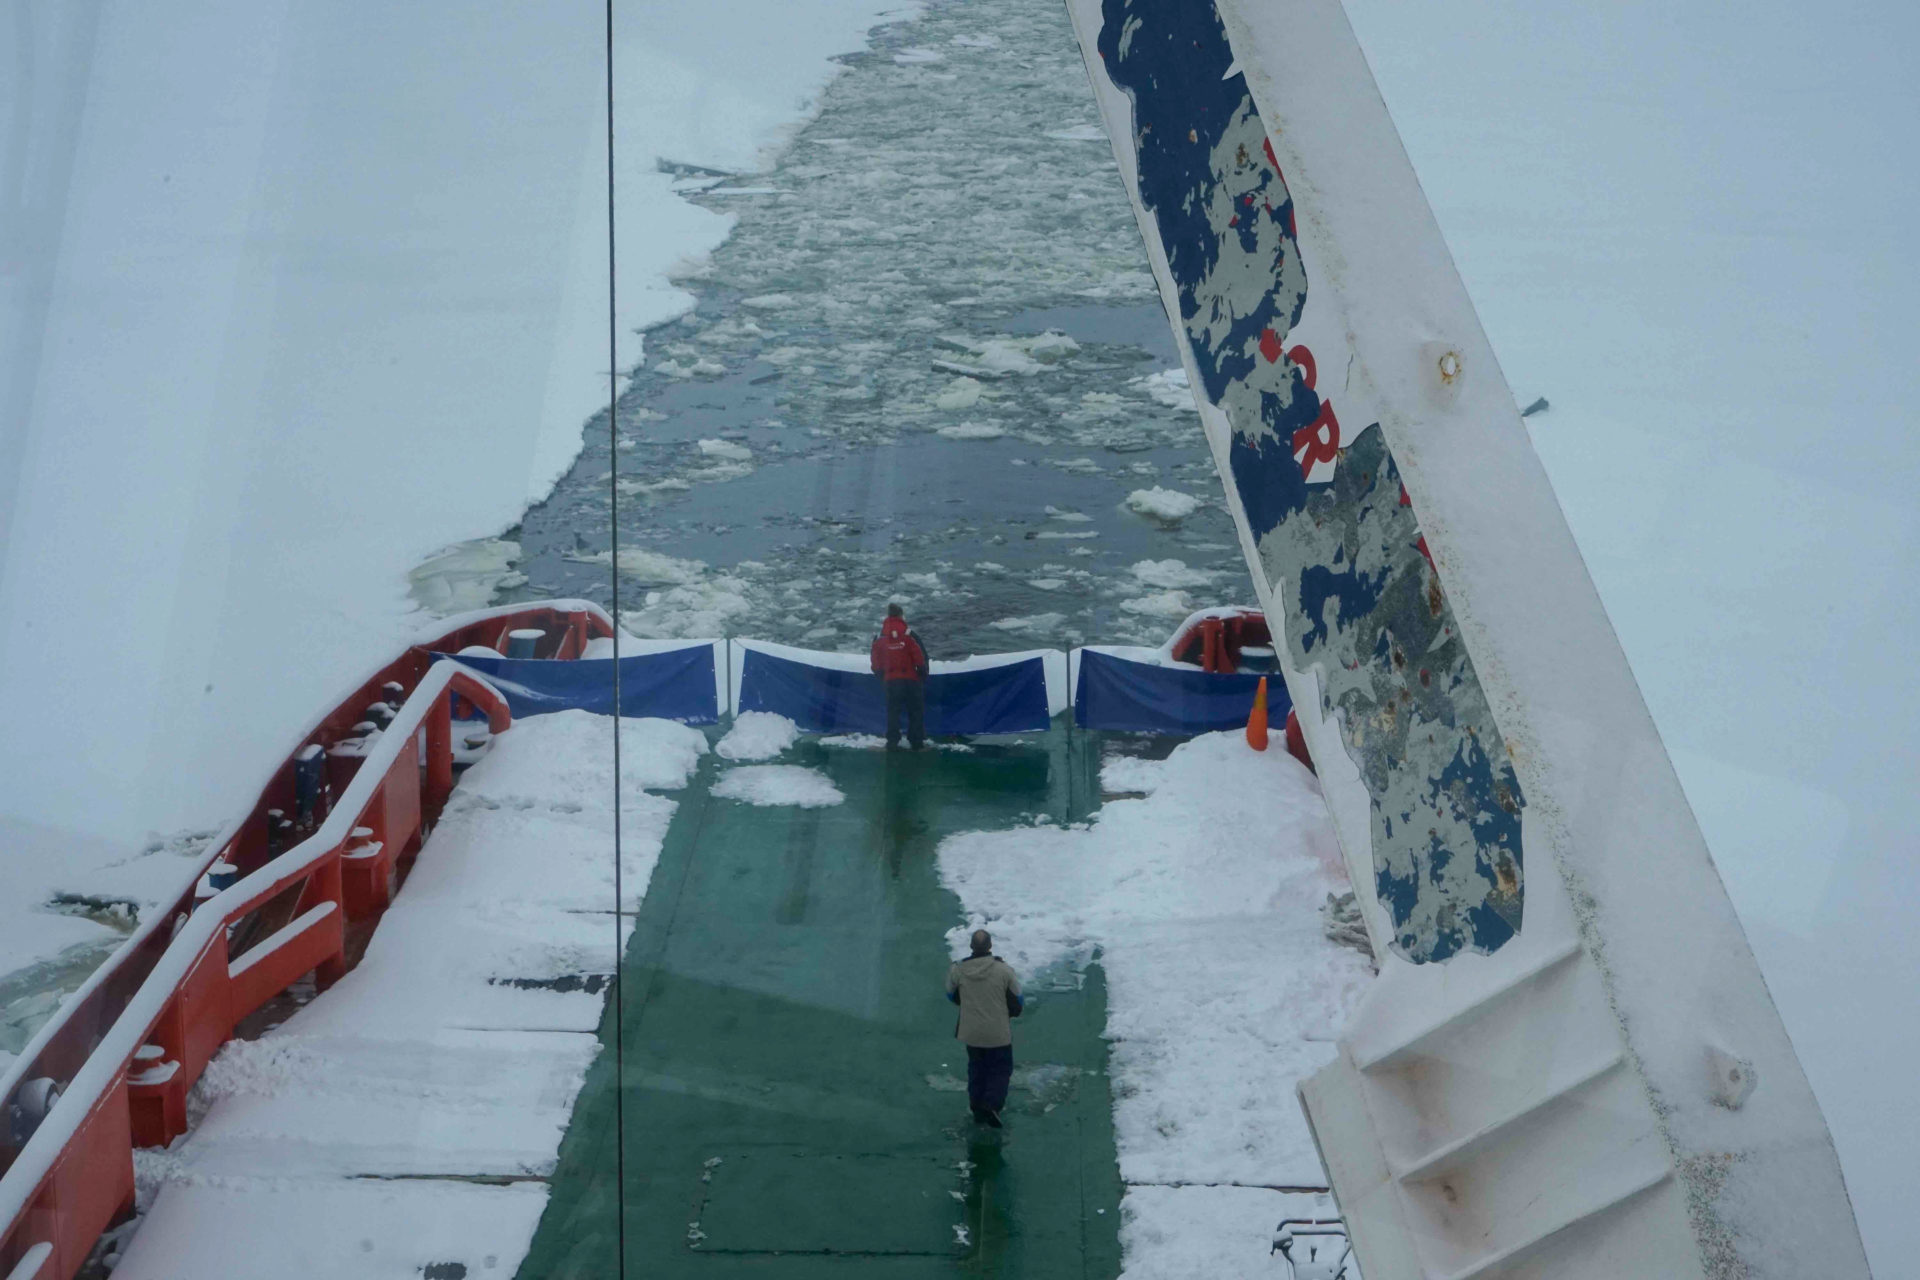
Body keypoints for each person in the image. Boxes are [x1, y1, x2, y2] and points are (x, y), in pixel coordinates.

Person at [945, 929, 1023, 1127]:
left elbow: (950, 995)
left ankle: (976, 1106)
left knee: (976, 1068)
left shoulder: (958, 970)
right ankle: (992, 1106)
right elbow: (1018, 999)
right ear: (990, 946)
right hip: (998, 1033)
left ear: (971, 946)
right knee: (1000, 1069)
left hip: (971, 1032)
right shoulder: (1004, 970)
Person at [869, 603, 929, 750]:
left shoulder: (879, 637)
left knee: (893, 712)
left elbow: (875, 661)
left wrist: (882, 675)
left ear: (888, 616)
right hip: (911, 680)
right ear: (901, 616)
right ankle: (916, 742)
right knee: (915, 711)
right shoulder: (909, 634)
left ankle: (892, 742)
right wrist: (922, 674)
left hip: (891, 681)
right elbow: (920, 656)